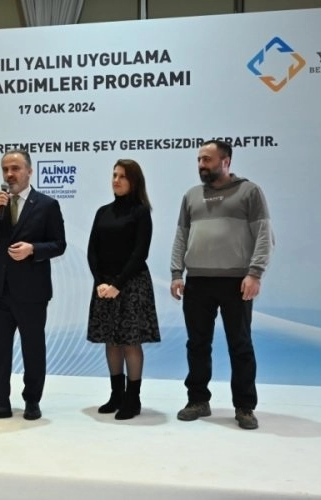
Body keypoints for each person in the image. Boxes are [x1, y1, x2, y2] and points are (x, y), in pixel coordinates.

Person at [170, 139, 274, 430]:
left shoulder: (249, 192)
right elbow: (181, 236)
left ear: (225, 161)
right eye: (199, 160)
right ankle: (197, 401)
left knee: (240, 345)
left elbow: (264, 235)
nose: (201, 165)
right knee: (197, 344)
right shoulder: (191, 196)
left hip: (236, 282)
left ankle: (244, 407)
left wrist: (255, 273)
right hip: (197, 282)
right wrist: (177, 273)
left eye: (207, 159)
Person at [0, 149, 66, 422]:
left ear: (29, 171)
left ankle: (32, 400)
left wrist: (32, 249)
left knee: (32, 348)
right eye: (5, 169)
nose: (10, 174)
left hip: (32, 292)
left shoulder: (47, 204)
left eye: (15, 168)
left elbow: (59, 244)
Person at [87, 159, 161, 420]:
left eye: (122, 176)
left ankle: (133, 398)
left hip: (131, 284)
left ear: (134, 181)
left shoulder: (140, 212)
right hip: (104, 285)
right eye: (114, 175)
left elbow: (140, 253)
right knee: (111, 340)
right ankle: (116, 394)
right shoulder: (102, 212)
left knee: (130, 342)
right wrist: (100, 282)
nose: (116, 180)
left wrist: (118, 285)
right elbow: (92, 250)